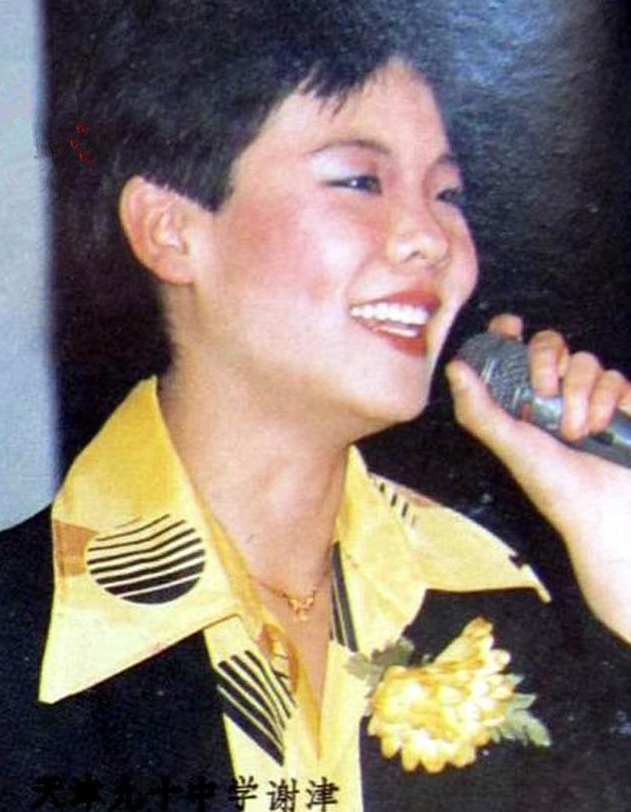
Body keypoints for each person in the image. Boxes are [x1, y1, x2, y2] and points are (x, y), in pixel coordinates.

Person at [2, 1, 631, 810]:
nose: (430, 239)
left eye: (446, 194)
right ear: (168, 230)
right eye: (360, 181)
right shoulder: (23, 635)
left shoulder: (516, 611)